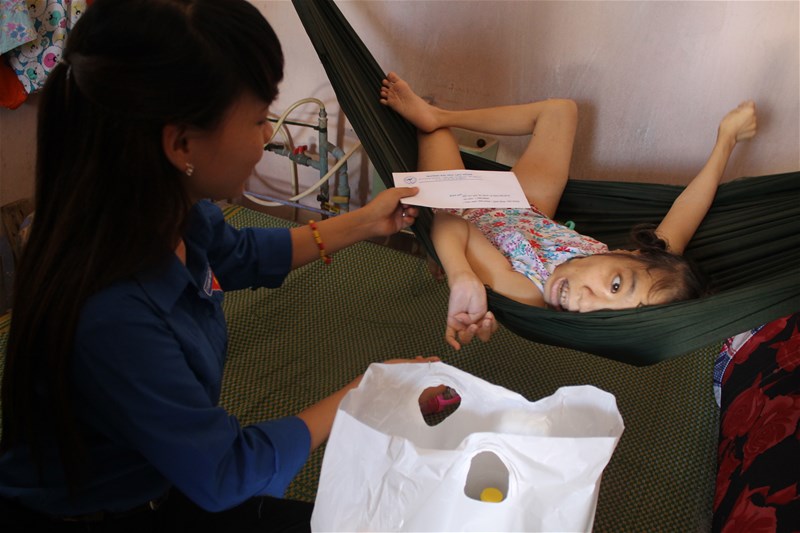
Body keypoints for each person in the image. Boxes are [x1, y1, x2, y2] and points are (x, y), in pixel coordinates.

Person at [0, 1, 434, 531]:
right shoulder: (114, 315)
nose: (268, 135)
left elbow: (241, 254)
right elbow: (226, 471)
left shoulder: (169, 213)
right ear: (181, 143)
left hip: (167, 477)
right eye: (257, 119)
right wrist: (368, 389)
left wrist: (366, 222)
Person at [379, 72, 757, 350]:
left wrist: (460, 273)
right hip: (525, 207)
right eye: (614, 286)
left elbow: (451, 224)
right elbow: (688, 209)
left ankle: (435, 126)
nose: (584, 301)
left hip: (462, 209)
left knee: (432, 136)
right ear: (631, 253)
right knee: (561, 111)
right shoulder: (657, 273)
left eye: (604, 314)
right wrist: (726, 140)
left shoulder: (527, 293)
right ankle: (440, 114)